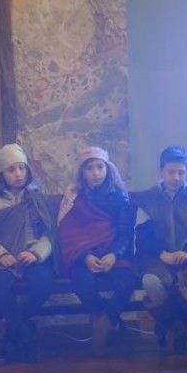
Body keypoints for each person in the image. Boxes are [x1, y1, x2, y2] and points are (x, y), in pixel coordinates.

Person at [0, 144, 57, 364]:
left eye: (22, 168)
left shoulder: (37, 199)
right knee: (0, 287)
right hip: (5, 259)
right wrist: (1, 255)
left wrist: (36, 253)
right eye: (11, 170)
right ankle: (24, 333)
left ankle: (13, 333)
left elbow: (50, 233)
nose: (18, 174)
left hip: (32, 257)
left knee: (44, 283)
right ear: (2, 174)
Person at [134, 145, 187, 355]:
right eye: (171, 172)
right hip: (157, 257)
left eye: (181, 172)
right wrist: (162, 254)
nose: (176, 177)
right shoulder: (147, 199)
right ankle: (175, 328)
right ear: (161, 171)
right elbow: (143, 235)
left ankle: (169, 326)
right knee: (150, 282)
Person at [57, 147, 137, 357]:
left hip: (113, 253)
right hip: (84, 255)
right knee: (82, 283)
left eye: (100, 167)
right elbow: (68, 232)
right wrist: (85, 256)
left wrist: (114, 254)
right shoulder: (74, 197)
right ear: (82, 172)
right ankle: (111, 321)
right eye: (90, 168)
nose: (95, 173)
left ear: (107, 169)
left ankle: (101, 325)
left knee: (126, 283)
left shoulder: (119, 197)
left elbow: (125, 232)